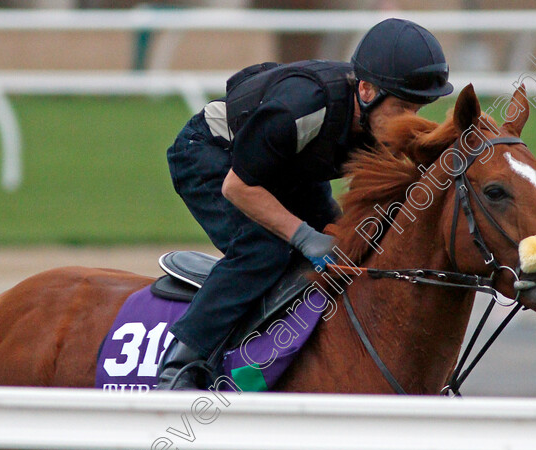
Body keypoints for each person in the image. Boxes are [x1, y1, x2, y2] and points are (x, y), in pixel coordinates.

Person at [157, 18, 454, 390]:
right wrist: (301, 236)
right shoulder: (301, 108)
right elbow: (238, 187)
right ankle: (181, 363)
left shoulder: (373, 114)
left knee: (350, 244)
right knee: (264, 250)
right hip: (212, 157)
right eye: (404, 107)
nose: (411, 121)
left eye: (420, 109)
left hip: (290, 166)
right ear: (366, 90)